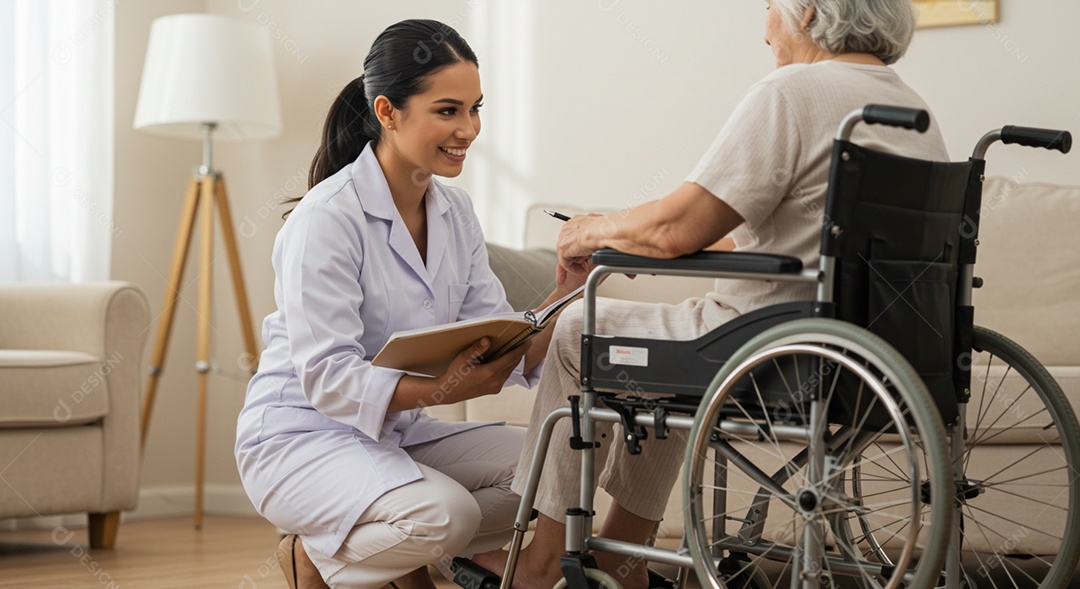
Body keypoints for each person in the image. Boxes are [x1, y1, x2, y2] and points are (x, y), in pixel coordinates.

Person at [473, 1, 950, 588]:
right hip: (876, 353)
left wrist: (593, 229)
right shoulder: (909, 109)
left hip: (772, 347)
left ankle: (542, 561)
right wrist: (642, 244)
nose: (765, 28)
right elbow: (796, 245)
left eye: (770, 6)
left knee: (578, 332)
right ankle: (625, 558)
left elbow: (680, 223)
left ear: (806, 11)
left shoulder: (792, 92)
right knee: (655, 356)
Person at [235, 19, 584, 589]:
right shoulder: (327, 218)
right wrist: (445, 388)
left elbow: (499, 339)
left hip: (396, 433)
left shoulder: (455, 212)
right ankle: (318, 558)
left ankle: (375, 553)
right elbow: (327, 377)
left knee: (557, 464)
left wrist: (566, 289)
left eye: (475, 109)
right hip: (301, 438)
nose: (468, 129)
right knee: (450, 515)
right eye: (448, 111)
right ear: (388, 112)